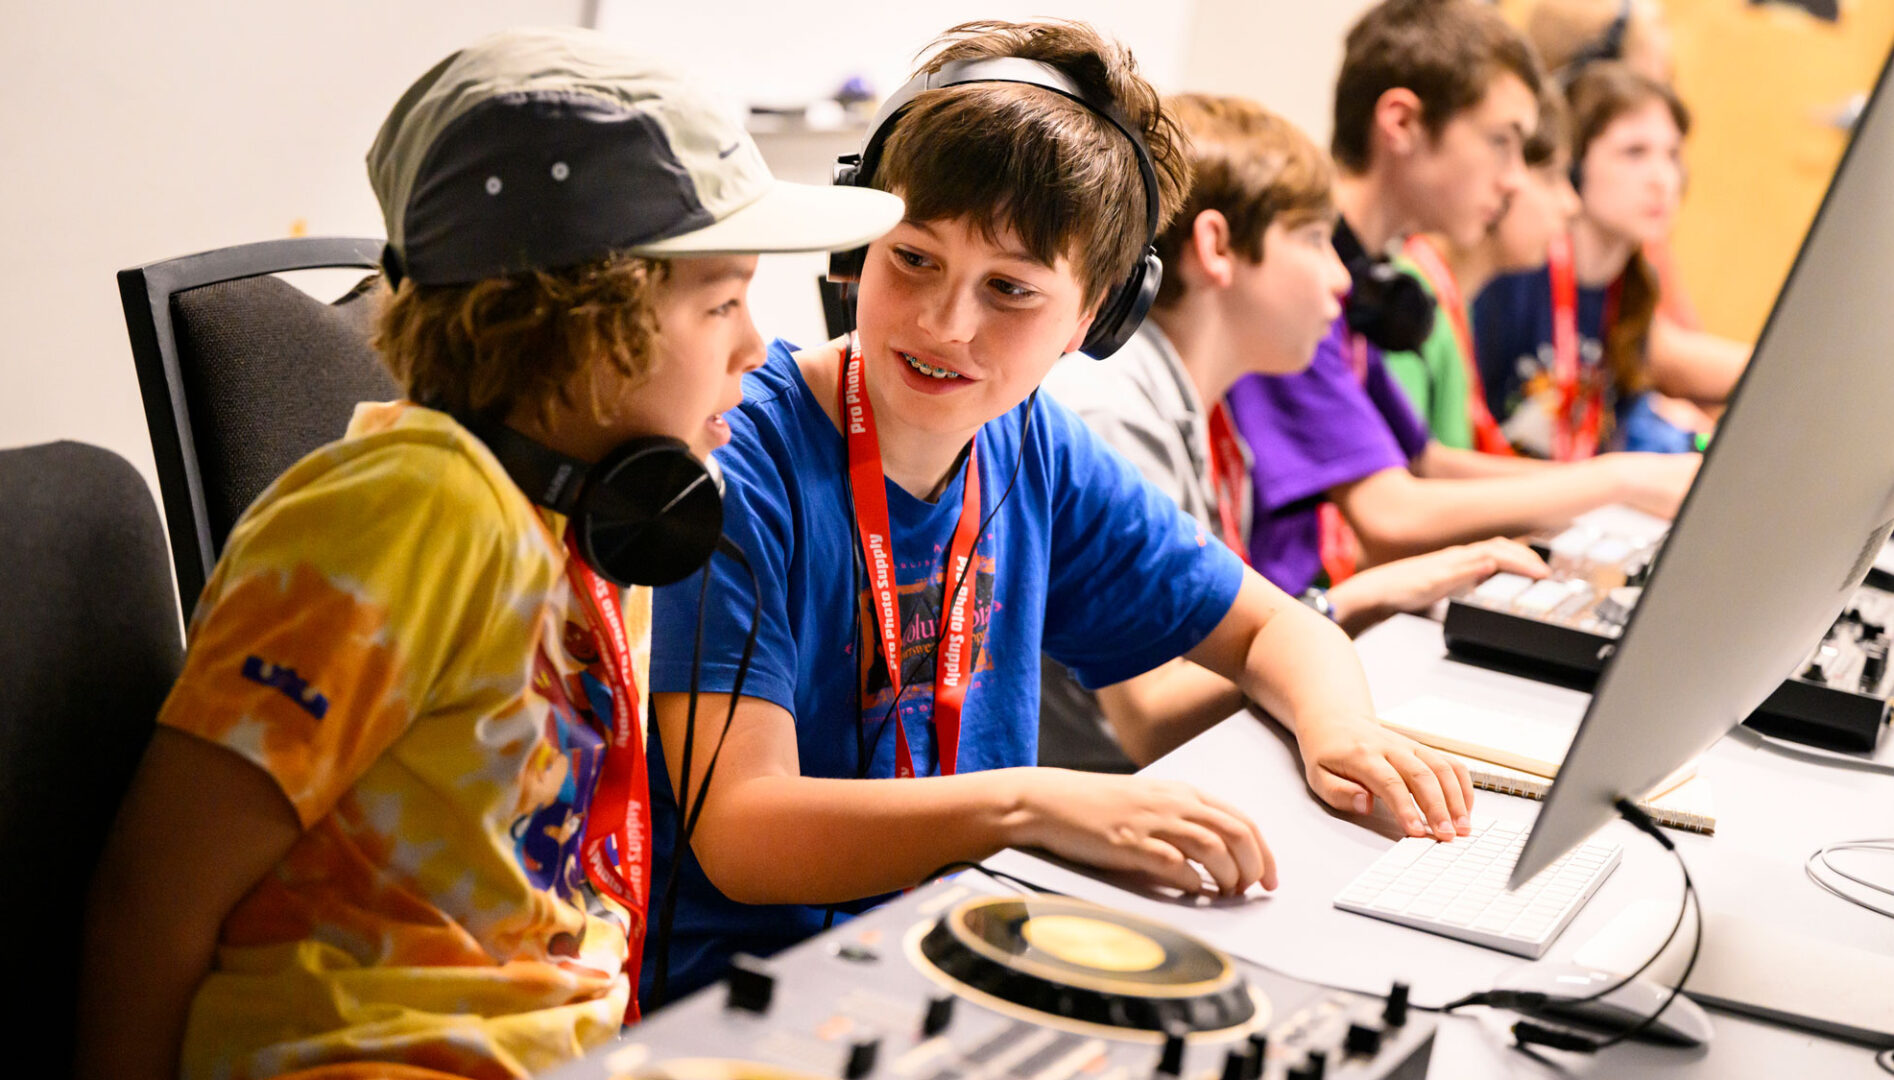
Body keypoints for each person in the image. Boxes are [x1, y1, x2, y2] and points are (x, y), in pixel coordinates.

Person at [75, 28, 902, 1080]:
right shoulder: (404, 514)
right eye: (722, 302)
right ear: (584, 325)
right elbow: (153, 897)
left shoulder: (594, 521)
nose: (755, 346)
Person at [641, 19, 1482, 1003]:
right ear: (853, 249)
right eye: (911, 259)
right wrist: (1027, 807)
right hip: (752, 998)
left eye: (1010, 290)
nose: (945, 323)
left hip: (955, 959)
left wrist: (1338, 732)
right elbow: (741, 832)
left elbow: (1275, 630)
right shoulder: (743, 460)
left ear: (1096, 318)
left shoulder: (1033, 449)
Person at [1037, 93, 1547, 774]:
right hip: (1103, 807)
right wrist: (1366, 596)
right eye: (1313, 240)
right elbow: (1152, 719)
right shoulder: (1111, 411)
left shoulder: (1198, 409)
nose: (1340, 278)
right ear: (1217, 247)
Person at [1222, 0, 1697, 591]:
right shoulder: (1295, 283)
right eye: (1501, 142)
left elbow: (1425, 463)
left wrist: (1621, 481)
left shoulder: (1366, 278)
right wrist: (1620, 482)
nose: (1515, 179)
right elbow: (1391, 512)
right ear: (1401, 125)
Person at [1474, 62, 1709, 458]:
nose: (1662, 179)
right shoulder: (1516, 276)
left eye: (1671, 155)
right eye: (1634, 152)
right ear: (1575, 166)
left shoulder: (1632, 286)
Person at [1384, 84, 1582, 451]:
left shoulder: (1458, 302)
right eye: (1552, 177)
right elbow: (1410, 476)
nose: (1571, 204)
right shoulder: (1409, 301)